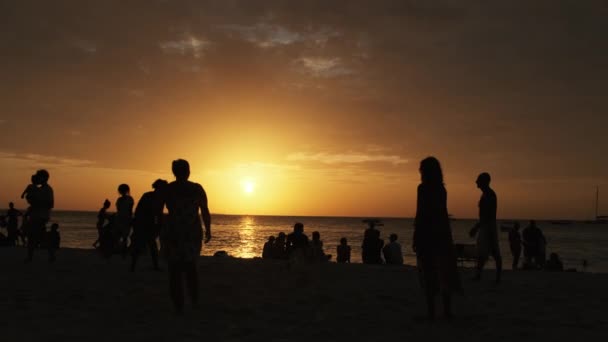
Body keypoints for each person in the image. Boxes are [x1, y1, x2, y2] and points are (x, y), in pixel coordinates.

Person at [160, 159, 211, 314]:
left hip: (173, 232)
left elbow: (158, 212)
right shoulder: (197, 189)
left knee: (174, 270)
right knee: (190, 268)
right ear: (188, 171)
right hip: (191, 232)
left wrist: (159, 230)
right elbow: (205, 211)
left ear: (174, 172)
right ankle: (193, 301)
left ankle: (179, 305)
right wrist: (208, 229)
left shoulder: (168, 189)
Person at [413, 157, 461, 319]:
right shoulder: (442, 190)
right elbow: (441, 214)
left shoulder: (423, 189)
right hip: (442, 234)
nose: (419, 172)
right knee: (444, 272)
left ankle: (431, 312)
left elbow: (421, 214)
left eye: (421, 170)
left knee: (429, 273)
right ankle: (446, 311)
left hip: (427, 234)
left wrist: (416, 235)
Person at [469, 172, 502, 283]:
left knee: (494, 251)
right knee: (482, 252)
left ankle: (497, 277)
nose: (476, 181)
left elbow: (488, 215)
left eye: (478, 179)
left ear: (484, 181)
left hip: (488, 226)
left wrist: (476, 227)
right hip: (485, 226)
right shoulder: (485, 194)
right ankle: (480, 275)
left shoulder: (490, 195)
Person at [130, 179, 167, 272]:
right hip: (143, 223)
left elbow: (159, 213)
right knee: (143, 245)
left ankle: (153, 266)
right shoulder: (148, 196)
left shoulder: (159, 198)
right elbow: (139, 210)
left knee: (151, 245)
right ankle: (133, 266)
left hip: (149, 223)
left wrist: (159, 225)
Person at [25, 170, 54, 263]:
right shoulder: (39, 189)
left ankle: (31, 257)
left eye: (39, 176)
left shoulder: (47, 189)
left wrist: (36, 203)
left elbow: (50, 204)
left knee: (37, 236)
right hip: (37, 216)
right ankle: (50, 255)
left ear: (43, 178)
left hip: (40, 216)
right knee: (37, 236)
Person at [115, 184, 134, 257]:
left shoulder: (122, 199)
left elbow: (121, 210)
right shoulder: (129, 199)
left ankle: (123, 250)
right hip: (123, 219)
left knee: (122, 236)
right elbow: (129, 210)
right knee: (123, 236)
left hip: (123, 219)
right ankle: (123, 250)